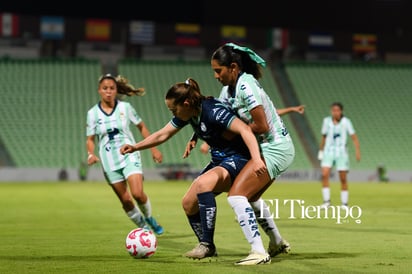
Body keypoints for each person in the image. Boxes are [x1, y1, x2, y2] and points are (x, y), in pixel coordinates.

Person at [120, 78, 268, 265]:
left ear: (186, 103)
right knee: (188, 203)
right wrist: (135, 147)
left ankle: (206, 245)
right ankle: (208, 245)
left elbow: (245, 130)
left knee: (203, 184)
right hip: (220, 160)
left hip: (240, 159)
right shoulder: (189, 114)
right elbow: (162, 134)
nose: (173, 114)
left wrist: (256, 159)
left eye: (174, 110)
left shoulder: (213, 111)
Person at [209, 42, 296, 265]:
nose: (216, 75)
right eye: (214, 71)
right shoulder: (227, 90)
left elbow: (262, 126)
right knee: (251, 196)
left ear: (233, 67)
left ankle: (258, 252)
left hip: (275, 147)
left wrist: (230, 136)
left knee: (237, 196)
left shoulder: (246, 86)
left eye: (219, 70)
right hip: (265, 147)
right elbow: (217, 119)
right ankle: (276, 242)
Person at [86, 73, 164, 235]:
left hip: (129, 153)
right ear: (99, 90)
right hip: (108, 161)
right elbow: (90, 139)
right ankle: (143, 227)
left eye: (111, 88)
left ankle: (149, 217)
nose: (108, 91)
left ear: (116, 91)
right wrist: (90, 153)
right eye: (105, 88)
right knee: (126, 200)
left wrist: (153, 148)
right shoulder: (93, 113)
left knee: (137, 193)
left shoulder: (125, 108)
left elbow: (141, 126)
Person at [197, 105, 305, 154]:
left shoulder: (247, 94)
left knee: (244, 192)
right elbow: (217, 121)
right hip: (232, 145)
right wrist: (208, 143)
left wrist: (291, 109)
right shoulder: (228, 94)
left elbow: (270, 114)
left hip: (246, 143)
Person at [317, 102, 361, 209]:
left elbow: (354, 137)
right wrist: (321, 151)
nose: (335, 112)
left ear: (341, 111)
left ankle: (344, 203)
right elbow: (323, 137)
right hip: (328, 151)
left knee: (343, 177)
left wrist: (357, 151)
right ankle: (326, 201)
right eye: (333, 110)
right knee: (324, 174)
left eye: (337, 110)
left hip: (341, 152)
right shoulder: (326, 121)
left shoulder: (346, 122)